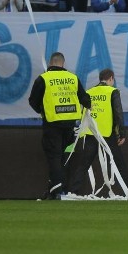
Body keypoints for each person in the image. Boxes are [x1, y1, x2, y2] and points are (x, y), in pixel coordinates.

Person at [27, 52, 92, 199]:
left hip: (52, 124)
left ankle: (57, 189)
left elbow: (32, 101)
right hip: (70, 124)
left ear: (51, 63)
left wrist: (43, 111)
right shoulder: (73, 78)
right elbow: (85, 99)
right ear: (63, 63)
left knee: (54, 156)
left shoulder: (43, 79)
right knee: (61, 156)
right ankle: (52, 190)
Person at [67, 69, 128, 198]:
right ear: (111, 78)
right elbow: (118, 113)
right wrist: (122, 133)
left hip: (91, 133)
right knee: (119, 164)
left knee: (84, 164)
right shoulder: (112, 91)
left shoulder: (89, 92)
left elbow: (82, 113)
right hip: (107, 134)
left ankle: (73, 191)